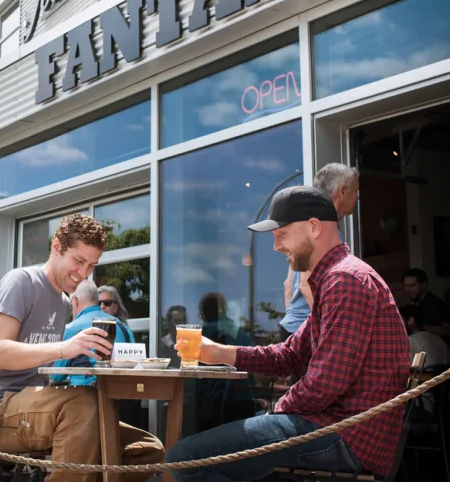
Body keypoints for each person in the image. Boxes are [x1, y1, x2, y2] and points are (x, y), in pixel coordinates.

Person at [166, 185, 410, 482]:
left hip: (348, 438)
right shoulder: (337, 279)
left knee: (185, 458)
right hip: (337, 429)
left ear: (314, 227)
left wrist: (276, 409)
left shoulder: (345, 280)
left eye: (281, 234)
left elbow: (325, 383)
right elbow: (291, 355)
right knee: (237, 441)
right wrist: (219, 352)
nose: (276, 246)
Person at [0, 214, 164, 482]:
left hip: (41, 407)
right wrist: (66, 348)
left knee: (147, 450)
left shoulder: (63, 303)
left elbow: (49, 372)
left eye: (91, 265)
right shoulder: (21, 281)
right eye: (78, 260)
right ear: (56, 247)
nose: (84, 273)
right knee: (82, 405)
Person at [281, 163, 358, 339]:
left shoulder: (313, 226)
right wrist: (328, 328)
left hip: (294, 327)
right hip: (308, 331)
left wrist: (294, 326)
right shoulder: (322, 230)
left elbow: (288, 286)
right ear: (342, 192)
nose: (358, 197)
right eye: (355, 190)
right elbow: (306, 284)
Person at [50, 279, 135, 385]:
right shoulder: (123, 327)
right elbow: (136, 364)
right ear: (96, 300)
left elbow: (56, 375)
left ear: (75, 301)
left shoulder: (72, 328)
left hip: (85, 396)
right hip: (122, 395)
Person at [402, 268, 450, 350]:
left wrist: (421, 327)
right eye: (406, 286)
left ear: (423, 285)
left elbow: (448, 330)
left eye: (412, 286)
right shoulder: (412, 306)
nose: (407, 290)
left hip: (435, 354)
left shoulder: (437, 304)